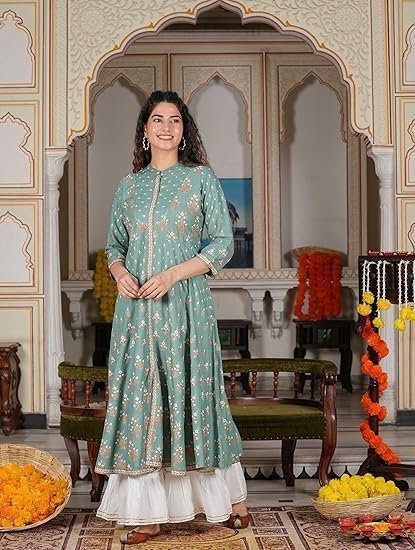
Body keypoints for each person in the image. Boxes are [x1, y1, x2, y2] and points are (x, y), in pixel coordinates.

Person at [95, 90, 249, 545]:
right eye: (158, 119)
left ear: (185, 131)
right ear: (145, 130)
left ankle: (230, 501)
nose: (166, 127)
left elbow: (222, 244)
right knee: (142, 401)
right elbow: (114, 245)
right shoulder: (128, 187)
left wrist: (172, 275)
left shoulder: (200, 179)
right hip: (137, 312)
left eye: (175, 120)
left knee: (193, 395)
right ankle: (149, 513)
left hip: (184, 307)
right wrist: (120, 272)